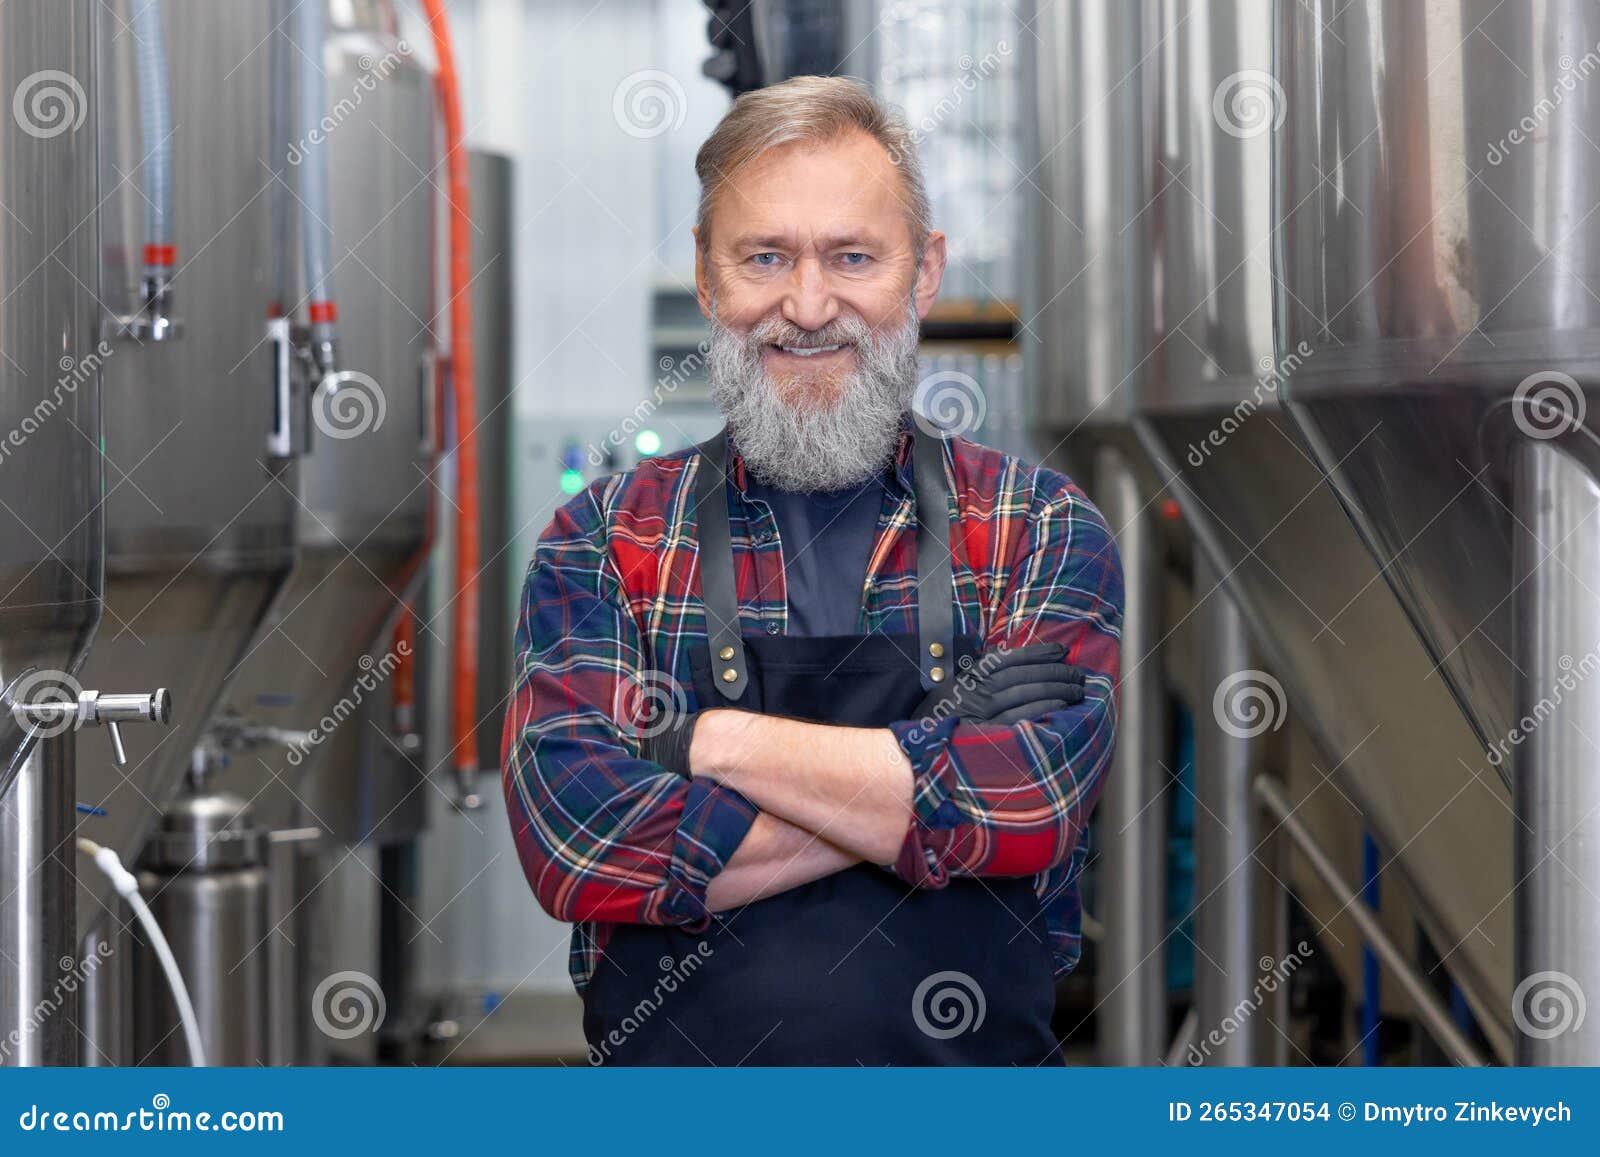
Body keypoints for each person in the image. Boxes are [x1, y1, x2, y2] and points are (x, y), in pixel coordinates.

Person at [503, 75, 1123, 1065]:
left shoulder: (1037, 528)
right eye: (763, 257)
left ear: (922, 274)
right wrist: (934, 774)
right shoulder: (602, 538)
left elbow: (1033, 804)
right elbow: (575, 842)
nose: (805, 304)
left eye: (851, 256)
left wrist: (703, 738)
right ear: (708, 280)